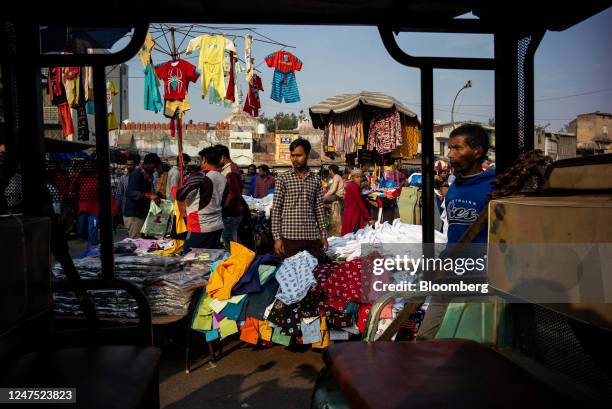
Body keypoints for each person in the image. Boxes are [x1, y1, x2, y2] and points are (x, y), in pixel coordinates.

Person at [417, 123, 495, 340]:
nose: (450, 154)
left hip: (479, 275)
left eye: (457, 148)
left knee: (469, 341)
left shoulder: (494, 184)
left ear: (477, 150)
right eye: (450, 148)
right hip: (449, 269)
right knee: (426, 336)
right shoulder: (456, 185)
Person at [271, 138, 327, 261]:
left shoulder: (315, 179)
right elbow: (276, 210)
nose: (294, 159)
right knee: (291, 274)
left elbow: (319, 209)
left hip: (311, 236)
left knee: (314, 273)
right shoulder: (283, 179)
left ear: (307, 155)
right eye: (292, 155)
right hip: (290, 237)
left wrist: (323, 235)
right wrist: (277, 238)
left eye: (299, 155)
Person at [176, 147, 227, 253]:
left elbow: (180, 194)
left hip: (200, 224)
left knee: (189, 257)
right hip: (217, 223)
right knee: (209, 258)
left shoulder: (201, 175)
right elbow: (224, 201)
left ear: (204, 160)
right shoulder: (223, 178)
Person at [123, 153, 161, 239]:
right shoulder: (137, 174)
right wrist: (149, 195)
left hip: (141, 213)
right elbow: (131, 192)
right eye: (153, 167)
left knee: (144, 241)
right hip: (134, 215)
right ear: (147, 164)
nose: (154, 170)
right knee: (137, 243)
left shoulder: (146, 175)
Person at [214, 144, 243, 250]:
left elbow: (233, 194)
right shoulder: (228, 169)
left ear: (222, 157)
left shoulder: (230, 171)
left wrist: (223, 207)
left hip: (231, 214)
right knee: (229, 242)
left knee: (229, 244)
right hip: (230, 213)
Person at [341, 169, 375, 236]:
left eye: (360, 177)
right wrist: (369, 218)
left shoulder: (351, 185)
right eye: (357, 177)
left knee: (348, 236)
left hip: (349, 213)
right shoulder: (353, 186)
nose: (359, 179)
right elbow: (360, 203)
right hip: (353, 214)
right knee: (353, 236)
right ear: (352, 177)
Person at [115, 153, 140, 218]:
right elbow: (119, 194)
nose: (129, 167)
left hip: (138, 209)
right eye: (127, 164)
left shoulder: (140, 177)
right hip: (126, 209)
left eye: (131, 165)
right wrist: (116, 208)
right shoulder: (122, 178)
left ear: (135, 165)